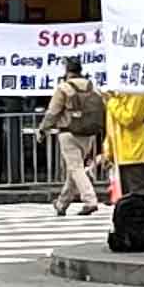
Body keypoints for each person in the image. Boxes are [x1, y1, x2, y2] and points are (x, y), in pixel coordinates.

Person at [38, 60, 106, 216]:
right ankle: (62, 203)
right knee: (74, 170)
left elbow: (53, 112)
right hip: (88, 134)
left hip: (68, 132)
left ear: (67, 71)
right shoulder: (93, 87)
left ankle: (90, 200)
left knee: (75, 168)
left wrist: (43, 129)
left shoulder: (64, 88)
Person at [102, 80, 144, 206]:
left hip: (136, 151)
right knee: (128, 197)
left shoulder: (138, 92)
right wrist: (108, 150)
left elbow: (130, 119)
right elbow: (111, 127)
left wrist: (112, 102)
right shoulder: (117, 95)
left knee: (139, 193)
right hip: (122, 152)